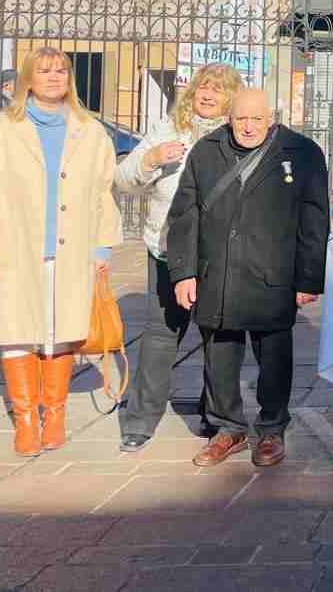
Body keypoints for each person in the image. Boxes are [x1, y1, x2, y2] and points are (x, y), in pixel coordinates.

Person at [0, 47, 122, 456]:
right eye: (44, 71)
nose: (54, 77)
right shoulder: (4, 128)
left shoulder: (90, 130)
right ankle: (26, 420)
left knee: (62, 332)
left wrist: (103, 246)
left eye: (61, 70)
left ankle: (55, 415)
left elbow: (103, 192)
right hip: (13, 251)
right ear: (29, 79)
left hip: (74, 252)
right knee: (16, 331)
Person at [167, 88, 329, 468]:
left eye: (257, 119)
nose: (249, 127)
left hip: (273, 275)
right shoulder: (206, 151)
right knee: (219, 358)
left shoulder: (302, 152)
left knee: (274, 359)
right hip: (218, 276)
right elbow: (185, 215)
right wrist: (184, 272)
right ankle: (228, 429)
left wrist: (309, 279)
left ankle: (271, 429)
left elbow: (314, 220)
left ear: (271, 119)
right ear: (229, 119)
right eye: (242, 119)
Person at [114, 63, 244, 451]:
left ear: (231, 98)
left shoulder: (238, 134)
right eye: (204, 87)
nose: (208, 95)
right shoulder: (169, 129)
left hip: (219, 255)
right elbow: (123, 178)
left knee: (218, 337)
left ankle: (216, 418)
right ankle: (140, 419)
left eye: (218, 90)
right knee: (161, 335)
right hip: (168, 249)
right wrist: (151, 159)